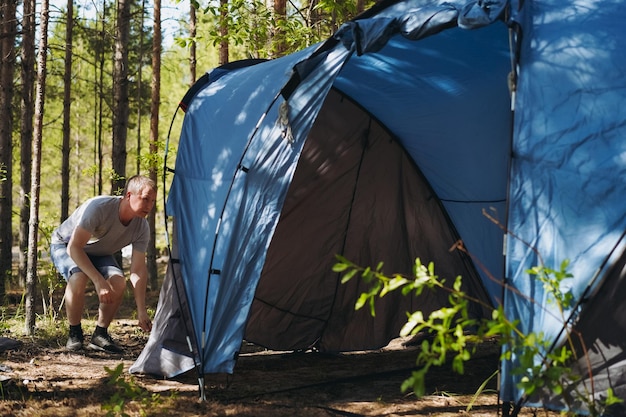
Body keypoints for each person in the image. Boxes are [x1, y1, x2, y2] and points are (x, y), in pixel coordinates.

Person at [50, 175, 157, 353]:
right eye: (145, 199)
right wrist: (99, 281)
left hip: (99, 252)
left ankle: (100, 334)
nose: (149, 206)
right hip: (66, 245)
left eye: (153, 201)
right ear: (129, 195)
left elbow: (137, 270)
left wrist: (141, 311)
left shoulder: (141, 227)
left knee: (118, 282)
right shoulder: (99, 208)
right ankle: (74, 334)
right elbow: (74, 247)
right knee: (78, 277)